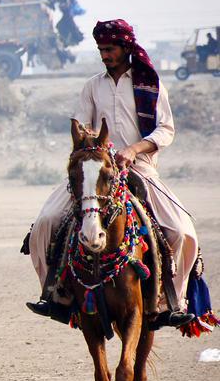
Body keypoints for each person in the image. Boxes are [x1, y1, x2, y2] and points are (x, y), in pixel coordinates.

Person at [26, 19, 197, 330]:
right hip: (96, 168)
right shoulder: (93, 86)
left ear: (126, 47)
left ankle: (171, 301)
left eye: (110, 49)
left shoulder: (150, 83)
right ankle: (55, 294)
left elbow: (166, 129)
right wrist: (94, 147)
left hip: (139, 167)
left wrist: (132, 151)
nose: (104, 55)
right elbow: (81, 124)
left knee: (182, 232)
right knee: (46, 223)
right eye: (101, 50)